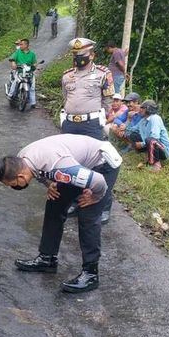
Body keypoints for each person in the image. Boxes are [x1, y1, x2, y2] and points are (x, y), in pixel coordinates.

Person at [0, 134, 122, 293]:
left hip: (102, 164)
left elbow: (98, 181)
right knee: (55, 203)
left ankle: (91, 274)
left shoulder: (60, 168)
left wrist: (95, 197)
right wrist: (49, 184)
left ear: (20, 176)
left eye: (12, 184)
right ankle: (47, 259)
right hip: (76, 163)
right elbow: (39, 173)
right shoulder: (21, 161)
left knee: (88, 215)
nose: (11, 187)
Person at [61, 38, 115, 221]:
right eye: (76, 56)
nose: (78, 59)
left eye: (82, 55)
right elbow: (65, 97)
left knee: (98, 164)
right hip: (70, 124)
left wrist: (102, 121)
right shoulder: (67, 75)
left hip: (91, 125)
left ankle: (103, 206)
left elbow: (108, 101)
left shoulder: (103, 74)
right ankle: (77, 201)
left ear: (92, 55)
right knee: (73, 164)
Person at [132, 100, 169, 172]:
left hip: (163, 149)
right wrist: (123, 126)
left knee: (150, 140)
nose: (140, 109)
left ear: (148, 108)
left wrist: (142, 144)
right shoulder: (143, 121)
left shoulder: (155, 118)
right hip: (151, 145)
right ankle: (148, 158)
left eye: (142, 108)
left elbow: (155, 137)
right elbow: (133, 129)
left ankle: (156, 165)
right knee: (133, 135)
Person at [6, 38, 38, 108]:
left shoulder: (32, 54)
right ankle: (10, 94)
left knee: (32, 87)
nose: (20, 46)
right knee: (16, 81)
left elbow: (35, 63)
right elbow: (13, 59)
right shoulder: (18, 52)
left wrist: (34, 66)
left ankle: (33, 103)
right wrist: (13, 63)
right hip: (20, 72)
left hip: (29, 73)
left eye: (21, 44)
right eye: (19, 44)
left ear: (26, 45)